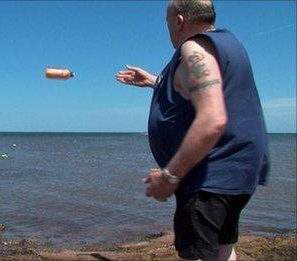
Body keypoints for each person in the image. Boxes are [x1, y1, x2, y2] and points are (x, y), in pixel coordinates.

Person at [115, 0, 269, 260]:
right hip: (238, 171)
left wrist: (170, 176)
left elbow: (212, 119)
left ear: (179, 21)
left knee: (197, 253)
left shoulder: (193, 47)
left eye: (167, 23)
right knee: (222, 247)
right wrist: (154, 81)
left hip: (209, 177)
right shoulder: (229, 44)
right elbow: (197, 86)